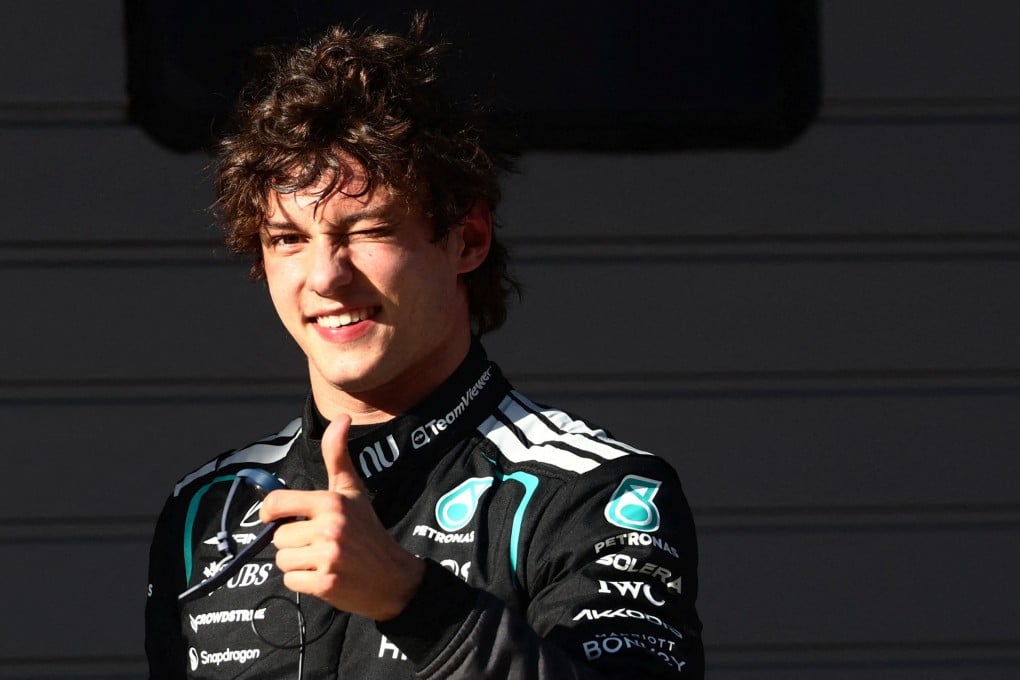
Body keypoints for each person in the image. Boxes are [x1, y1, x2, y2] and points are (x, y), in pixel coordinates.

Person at [145, 15, 704, 679]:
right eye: (289, 240)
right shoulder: (207, 512)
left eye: (369, 231)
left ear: (468, 239)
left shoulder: (590, 493)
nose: (325, 277)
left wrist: (412, 602)